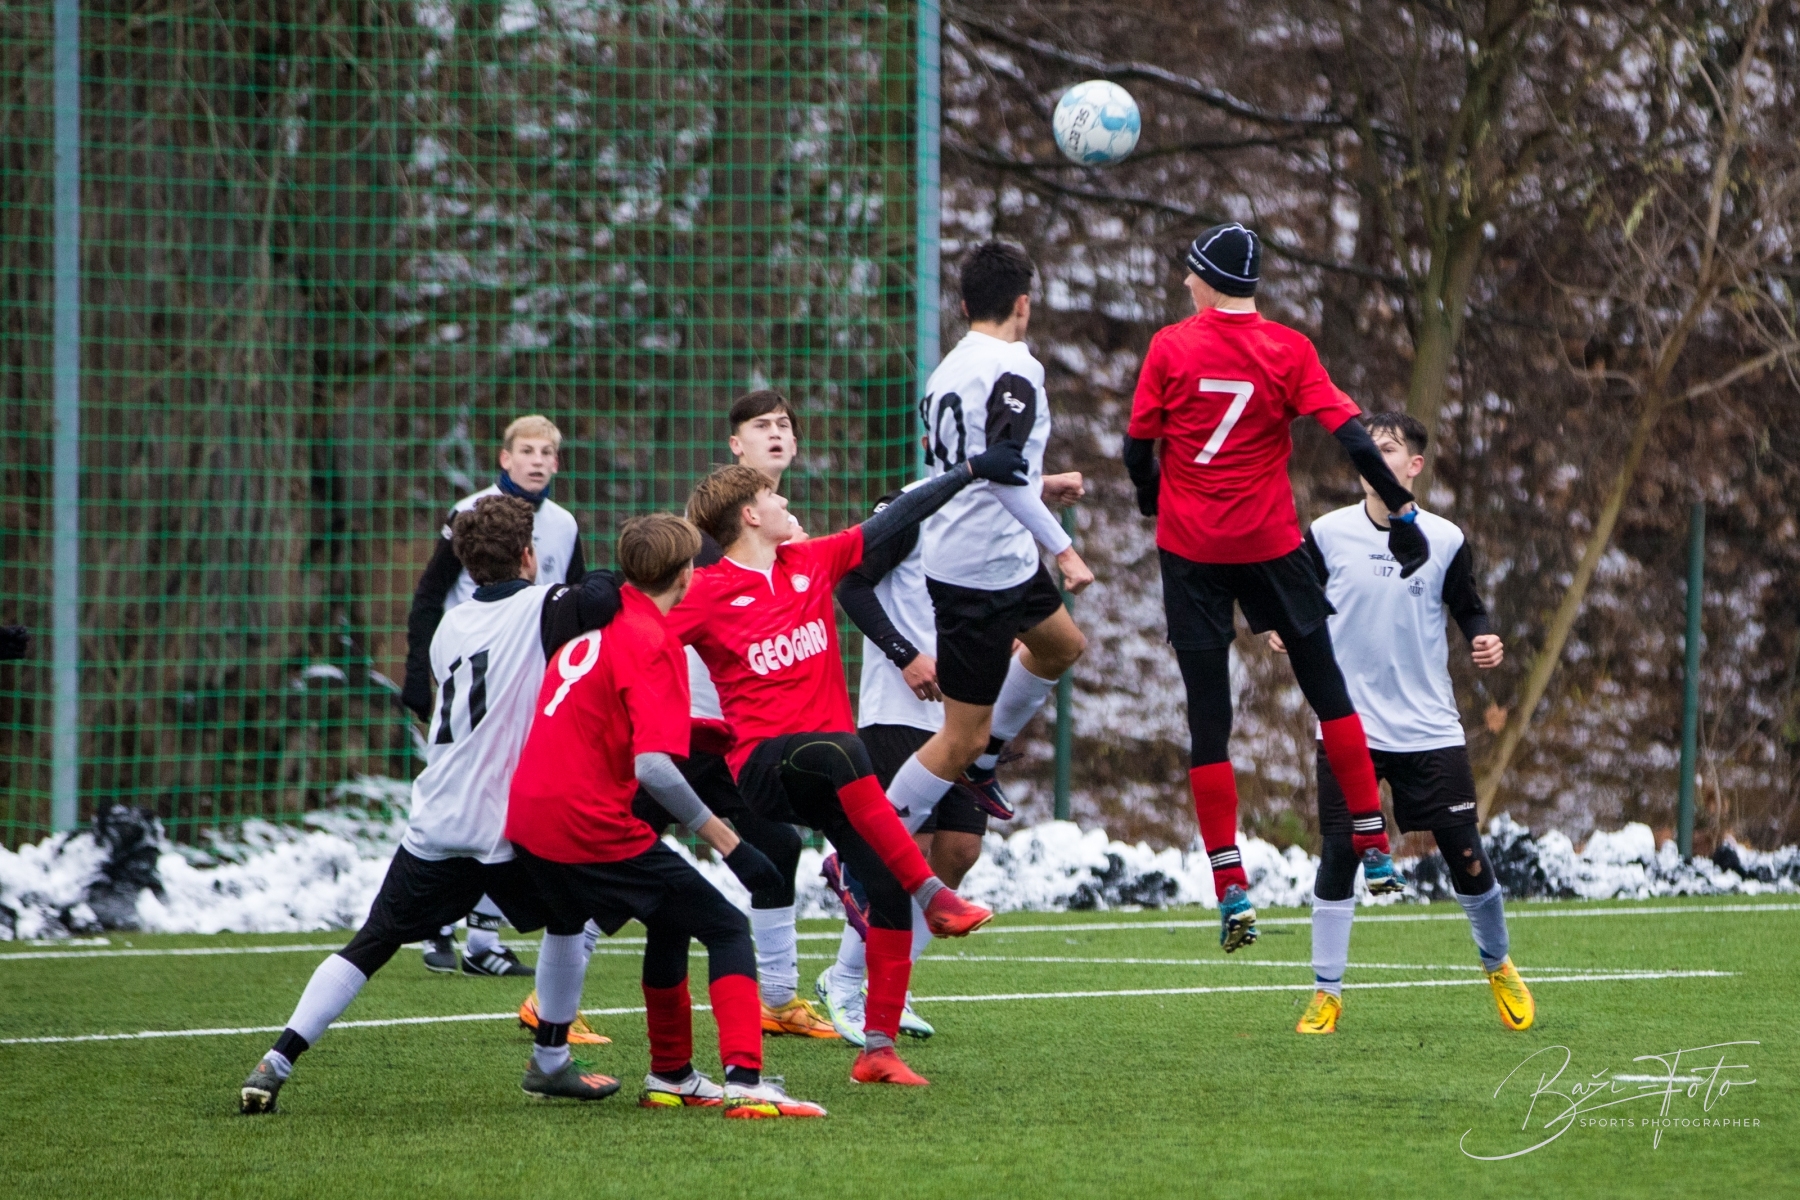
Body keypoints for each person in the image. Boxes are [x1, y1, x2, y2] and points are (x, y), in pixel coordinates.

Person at [239, 496, 622, 1115]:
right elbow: (604, 594)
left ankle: (277, 1059)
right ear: (529, 556)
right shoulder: (541, 607)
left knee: (373, 941)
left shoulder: (452, 626)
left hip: (439, 813)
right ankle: (550, 1063)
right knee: (572, 916)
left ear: (466, 567)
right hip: (505, 821)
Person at [1121, 221, 1431, 953]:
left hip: (1191, 551)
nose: (1185, 283)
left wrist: (1150, 496)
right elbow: (1351, 435)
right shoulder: (1289, 349)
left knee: (1209, 718)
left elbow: (1137, 447)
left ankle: (1230, 884)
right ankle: (1372, 839)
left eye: (1191, 273)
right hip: (1270, 544)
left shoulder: (1170, 346)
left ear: (1208, 280)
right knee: (1326, 688)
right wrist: (1403, 510)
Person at [673, 453, 1024, 1086]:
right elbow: (638, 637)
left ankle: (878, 1051)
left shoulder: (810, 562)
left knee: (884, 890)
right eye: (774, 498)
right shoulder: (706, 591)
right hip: (765, 769)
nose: (786, 503)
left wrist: (970, 471)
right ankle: (935, 895)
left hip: (831, 774)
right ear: (750, 515)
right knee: (843, 748)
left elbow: (898, 517)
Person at [506, 513, 826, 1116]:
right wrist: (731, 843)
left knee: (670, 917)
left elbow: (605, 720)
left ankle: (672, 1074)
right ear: (685, 575)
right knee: (726, 927)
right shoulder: (653, 640)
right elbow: (653, 768)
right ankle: (746, 1082)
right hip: (587, 822)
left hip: (528, 816)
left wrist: (701, 732)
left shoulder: (595, 625)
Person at [1269, 412, 1533, 1034]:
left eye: (1387, 449)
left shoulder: (1444, 537)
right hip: (1348, 726)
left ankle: (1498, 964)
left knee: (1465, 853)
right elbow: (1297, 597)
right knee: (1340, 854)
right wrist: (1284, 625)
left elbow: (1469, 607)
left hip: (1428, 727)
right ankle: (1326, 993)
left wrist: (1484, 637)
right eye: (1367, 448)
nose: (1374, 457)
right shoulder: (1327, 532)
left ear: (1415, 465)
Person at [816, 470, 1086, 1044]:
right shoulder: (908, 509)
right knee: (903, 856)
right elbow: (851, 584)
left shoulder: (997, 517)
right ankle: (846, 981)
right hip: (899, 709)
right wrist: (905, 655)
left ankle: (889, 981)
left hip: (960, 717)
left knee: (959, 851)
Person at [891, 240, 1093, 863]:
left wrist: (1041, 487)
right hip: (977, 571)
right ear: (1023, 304)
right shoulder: (1014, 368)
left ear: (964, 305)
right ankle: (864, 852)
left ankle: (983, 763)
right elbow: (1002, 474)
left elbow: (971, 468)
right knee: (959, 737)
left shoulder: (948, 369)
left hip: (998, 557)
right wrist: (1063, 548)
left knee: (1061, 645)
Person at [403, 414, 584, 978]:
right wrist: (417, 672)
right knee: (456, 789)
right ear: (505, 458)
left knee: (510, 798)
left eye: (546, 453)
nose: (537, 461)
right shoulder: (470, 513)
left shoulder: (563, 525)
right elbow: (429, 595)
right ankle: (435, 923)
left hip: (526, 679)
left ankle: (482, 940)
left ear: (557, 463)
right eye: (526, 450)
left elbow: (575, 603)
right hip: (469, 676)